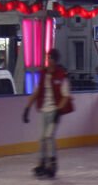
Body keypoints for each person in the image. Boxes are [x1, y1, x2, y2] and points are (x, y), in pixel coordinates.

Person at [22, 49, 72, 178]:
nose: (48, 61)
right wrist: (27, 108)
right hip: (44, 110)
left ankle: (53, 163)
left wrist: (58, 110)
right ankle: (42, 163)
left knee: (49, 136)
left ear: (55, 60)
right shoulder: (43, 74)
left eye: (50, 58)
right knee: (43, 138)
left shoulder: (61, 75)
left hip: (55, 111)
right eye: (48, 58)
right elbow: (37, 91)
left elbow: (66, 96)